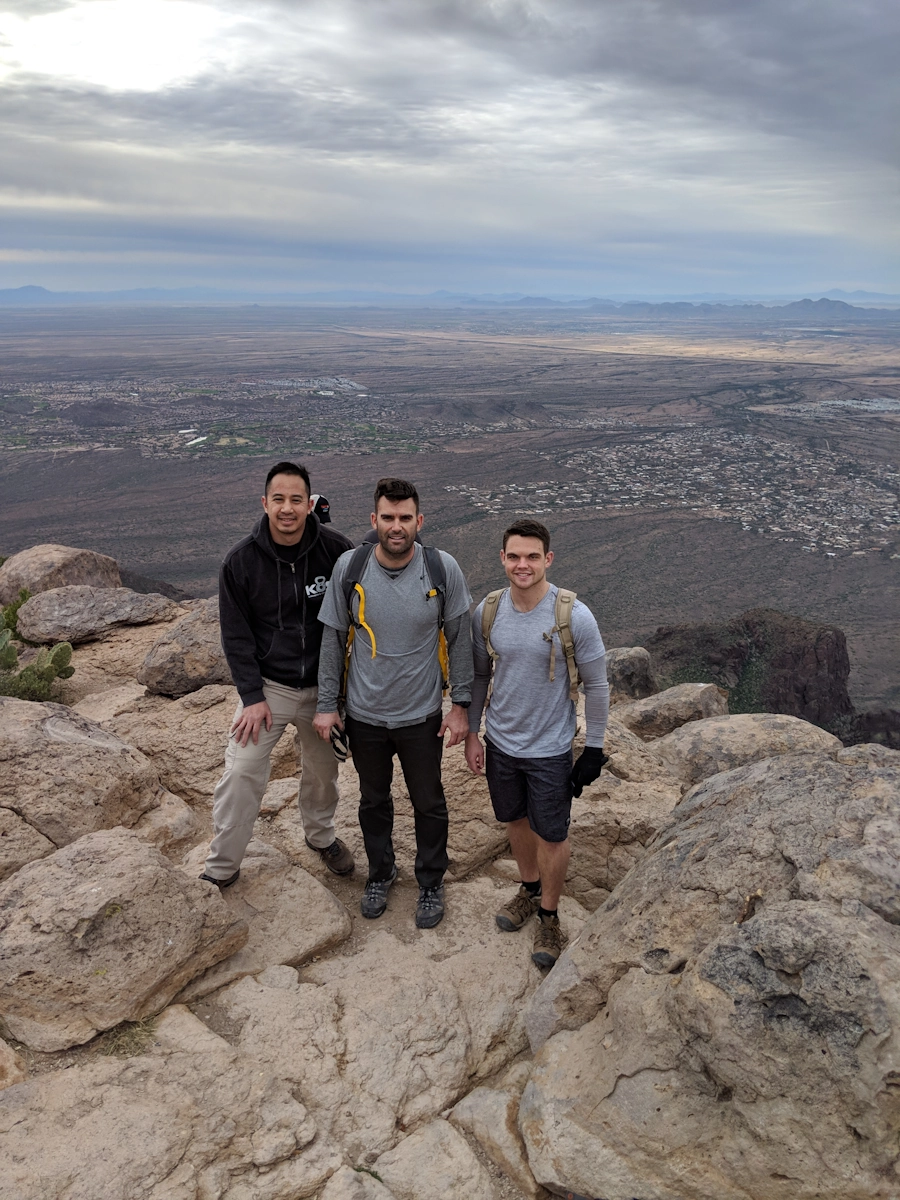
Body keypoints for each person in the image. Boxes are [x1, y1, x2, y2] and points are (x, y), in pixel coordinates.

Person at [314, 478, 474, 928]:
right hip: (365, 715)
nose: (397, 526)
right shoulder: (351, 567)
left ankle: (430, 881)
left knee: (429, 802)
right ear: (374, 521)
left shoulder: (442, 569)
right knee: (373, 800)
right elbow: (333, 638)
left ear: (419, 521)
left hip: (421, 713)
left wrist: (460, 705)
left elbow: (461, 640)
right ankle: (381, 874)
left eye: (406, 518)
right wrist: (328, 705)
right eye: (388, 518)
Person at [201, 461, 355, 887]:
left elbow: (357, 614)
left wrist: (340, 693)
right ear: (264, 503)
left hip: (325, 690)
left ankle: (321, 838)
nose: (287, 509)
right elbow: (236, 636)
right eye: (279, 500)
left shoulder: (335, 551)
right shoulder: (240, 562)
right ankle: (222, 867)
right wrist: (251, 697)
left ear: (310, 504)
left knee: (324, 772)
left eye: (296, 500)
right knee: (242, 771)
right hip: (269, 687)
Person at [465, 519, 609, 968]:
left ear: (548, 559)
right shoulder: (487, 612)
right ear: (502, 559)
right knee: (514, 820)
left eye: (532, 556)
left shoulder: (573, 616)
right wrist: (473, 733)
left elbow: (598, 686)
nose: (522, 565)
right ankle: (528, 890)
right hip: (502, 742)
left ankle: (549, 913)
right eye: (514, 556)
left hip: (549, 748)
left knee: (552, 833)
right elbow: (479, 677)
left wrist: (595, 749)